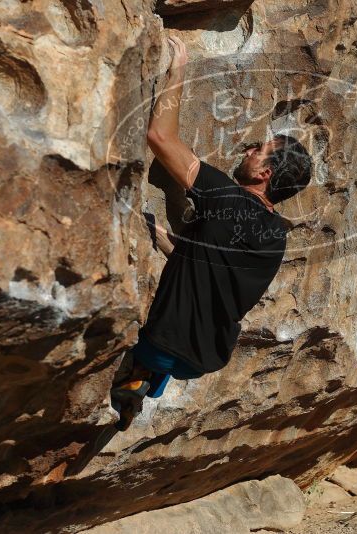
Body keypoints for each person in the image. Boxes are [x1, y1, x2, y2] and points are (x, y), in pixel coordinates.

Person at [110, 36, 313, 430]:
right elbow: (205, 264)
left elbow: (160, 139)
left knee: (147, 341)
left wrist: (178, 68)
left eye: (259, 150)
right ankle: (146, 384)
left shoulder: (224, 196)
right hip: (205, 358)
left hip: (161, 345)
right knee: (175, 339)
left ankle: (136, 376)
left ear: (264, 174)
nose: (249, 150)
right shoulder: (276, 237)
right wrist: (161, 236)